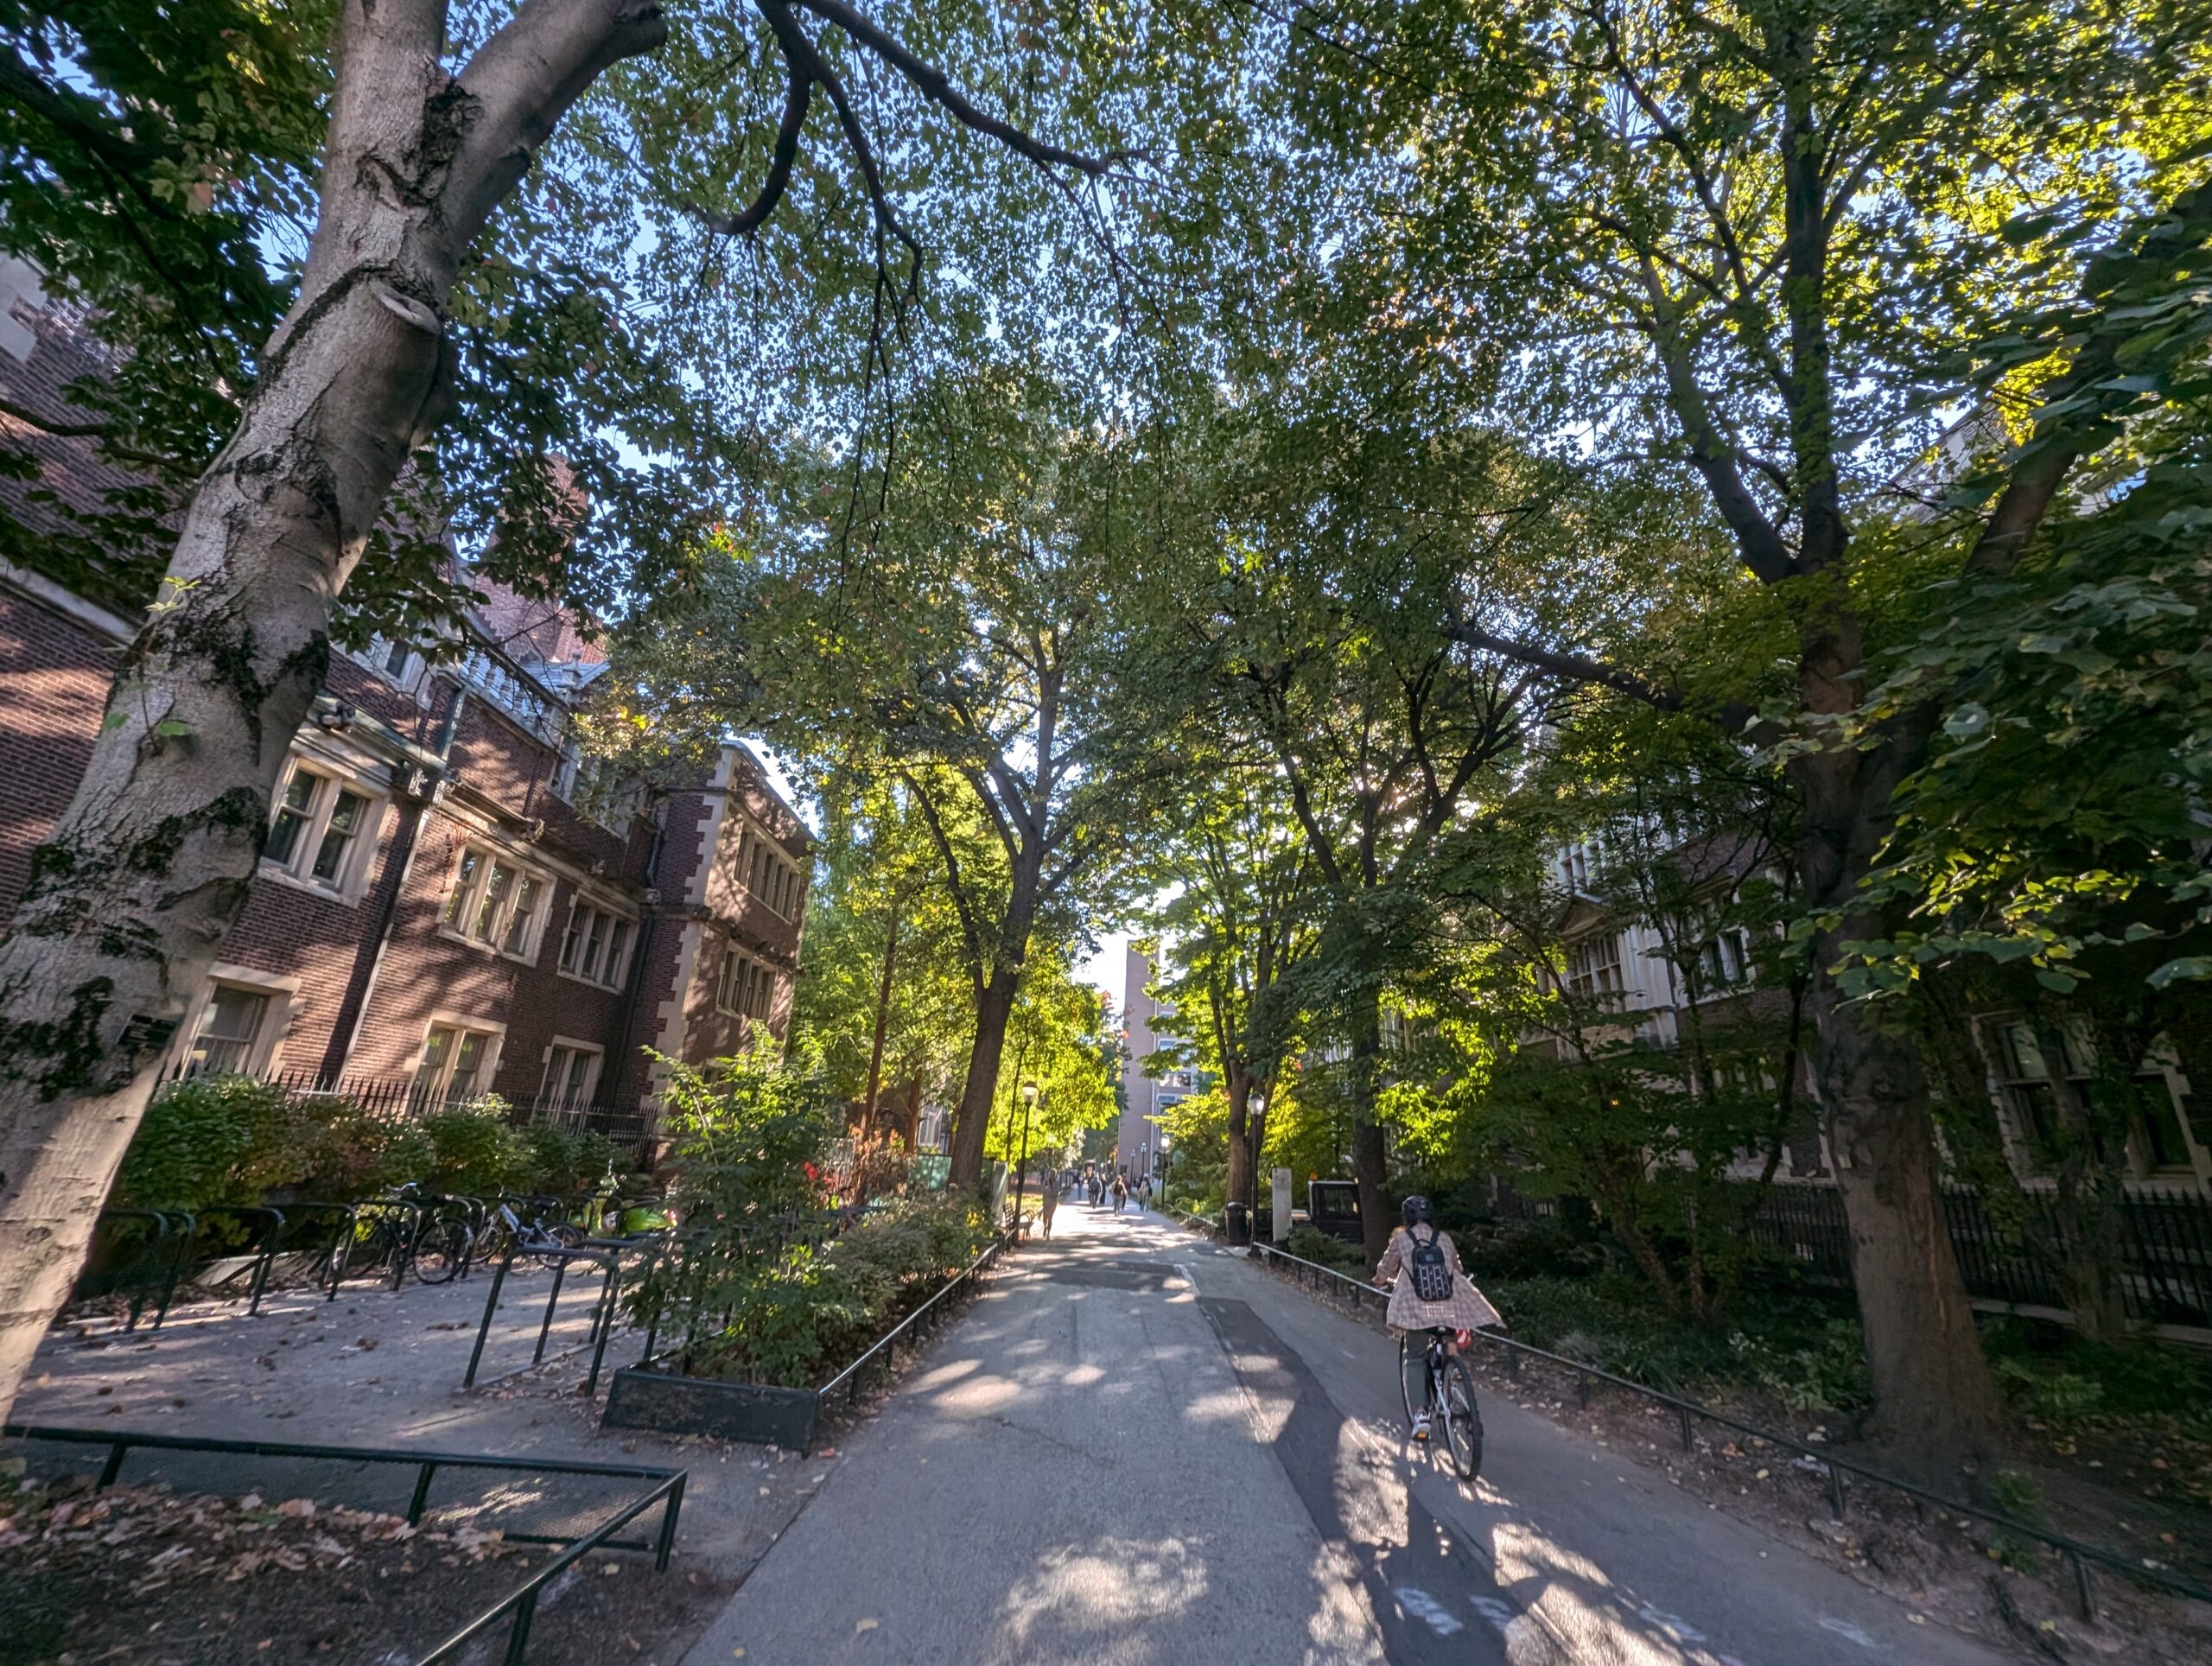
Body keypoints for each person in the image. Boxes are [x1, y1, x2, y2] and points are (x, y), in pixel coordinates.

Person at [1374, 1195, 1501, 1442]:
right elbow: (1457, 1268)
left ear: (1407, 1218)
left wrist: (1379, 1280)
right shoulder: (1444, 1239)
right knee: (1448, 1336)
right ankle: (1453, 1371)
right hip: (1446, 1307)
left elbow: (1385, 1268)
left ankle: (1421, 1416)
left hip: (1416, 1311)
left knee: (1415, 1357)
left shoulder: (1402, 1239)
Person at [1038, 1173, 1058, 1240]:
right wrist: (1045, 1183)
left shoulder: (1056, 1183)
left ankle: (1048, 1234)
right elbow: (1042, 1190)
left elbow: (1055, 1193)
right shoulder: (1046, 1181)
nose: (1052, 1176)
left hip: (1052, 1204)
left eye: (1053, 1174)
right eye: (1051, 1174)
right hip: (1045, 1203)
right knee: (1044, 1219)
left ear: (1055, 1175)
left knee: (1050, 1219)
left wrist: (1050, 1189)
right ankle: (1045, 1227)